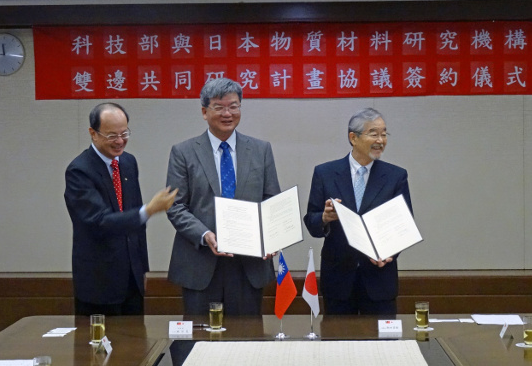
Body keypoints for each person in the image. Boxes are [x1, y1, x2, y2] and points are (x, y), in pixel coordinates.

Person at [166, 77, 281, 316]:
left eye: (234, 106)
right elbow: (176, 206)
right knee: (199, 342)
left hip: (248, 265)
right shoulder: (183, 152)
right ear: (204, 111)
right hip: (200, 263)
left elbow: (273, 202)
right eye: (219, 107)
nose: (227, 113)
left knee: (247, 342)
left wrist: (272, 237)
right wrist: (205, 235)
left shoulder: (261, 150)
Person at [64, 102, 178, 316]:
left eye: (124, 133)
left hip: (132, 280)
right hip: (99, 282)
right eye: (111, 135)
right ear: (93, 133)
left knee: (137, 344)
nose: (120, 141)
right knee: (98, 347)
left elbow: (136, 223)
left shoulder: (127, 162)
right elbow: (100, 222)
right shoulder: (79, 171)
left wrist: (142, 268)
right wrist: (149, 210)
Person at [303, 107, 412, 315]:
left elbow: (404, 225)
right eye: (374, 133)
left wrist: (389, 252)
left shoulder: (395, 176)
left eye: (384, 134)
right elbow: (312, 221)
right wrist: (325, 218)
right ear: (353, 137)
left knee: (383, 346)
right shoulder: (325, 173)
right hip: (338, 280)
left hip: (380, 279)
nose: (381, 140)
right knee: (338, 343)